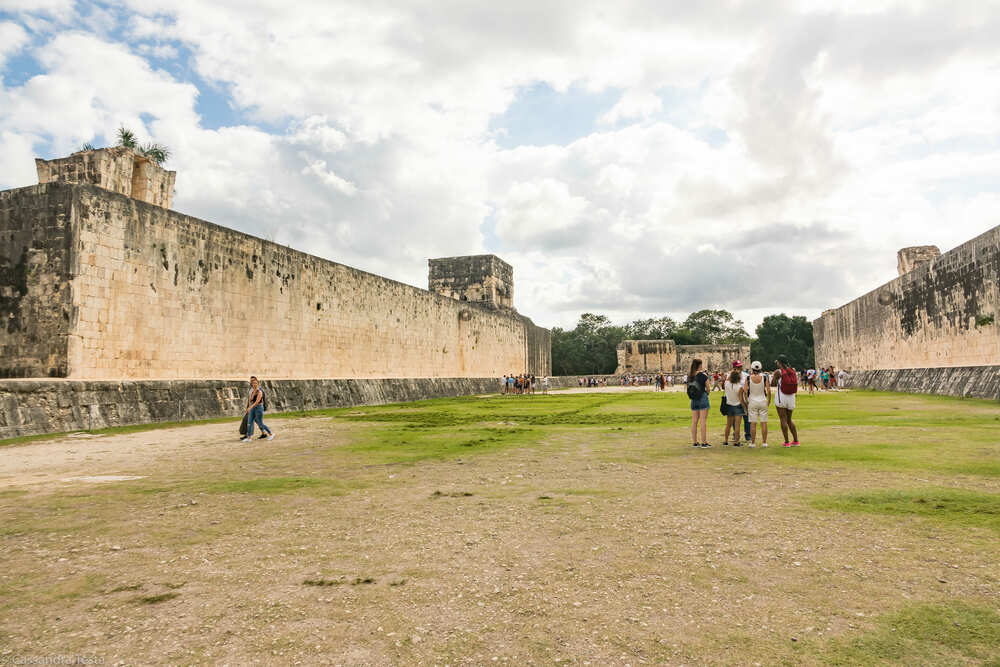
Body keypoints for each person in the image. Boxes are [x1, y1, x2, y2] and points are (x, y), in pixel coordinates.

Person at [771, 355, 800, 447]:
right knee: (789, 419)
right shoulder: (792, 370)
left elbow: (773, 384)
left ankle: (786, 442)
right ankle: (796, 440)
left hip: (782, 396)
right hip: (791, 397)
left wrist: (775, 378)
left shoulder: (778, 372)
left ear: (779, 363)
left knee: (783, 419)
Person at [742, 361, 770, 447]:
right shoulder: (765, 377)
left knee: (753, 423)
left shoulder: (748, 378)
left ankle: (753, 443)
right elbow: (768, 390)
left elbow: (745, 391)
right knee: (764, 422)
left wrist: (747, 401)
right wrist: (768, 401)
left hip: (752, 401)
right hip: (762, 400)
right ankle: (764, 442)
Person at [687, 358, 711, 448]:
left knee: (694, 421)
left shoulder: (690, 375)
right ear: (699, 365)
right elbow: (708, 388)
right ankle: (704, 442)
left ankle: (695, 442)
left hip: (693, 399)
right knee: (703, 421)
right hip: (702, 398)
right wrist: (707, 394)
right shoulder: (703, 375)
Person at [241, 376, 273, 442]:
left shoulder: (260, 391)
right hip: (252, 408)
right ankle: (249, 438)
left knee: (260, 423)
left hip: (258, 408)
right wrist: (248, 407)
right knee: (249, 422)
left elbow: (257, 402)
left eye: (255, 383)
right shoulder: (252, 390)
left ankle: (270, 434)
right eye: (252, 383)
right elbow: (250, 399)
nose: (254, 384)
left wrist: (250, 407)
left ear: (257, 383)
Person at [722, 368, 745, 446]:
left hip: (729, 405)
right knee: (737, 425)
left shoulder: (727, 384)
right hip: (737, 406)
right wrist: (745, 408)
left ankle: (725, 440)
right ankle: (736, 441)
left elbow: (728, 379)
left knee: (728, 425)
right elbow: (741, 399)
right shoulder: (739, 387)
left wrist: (733, 372)